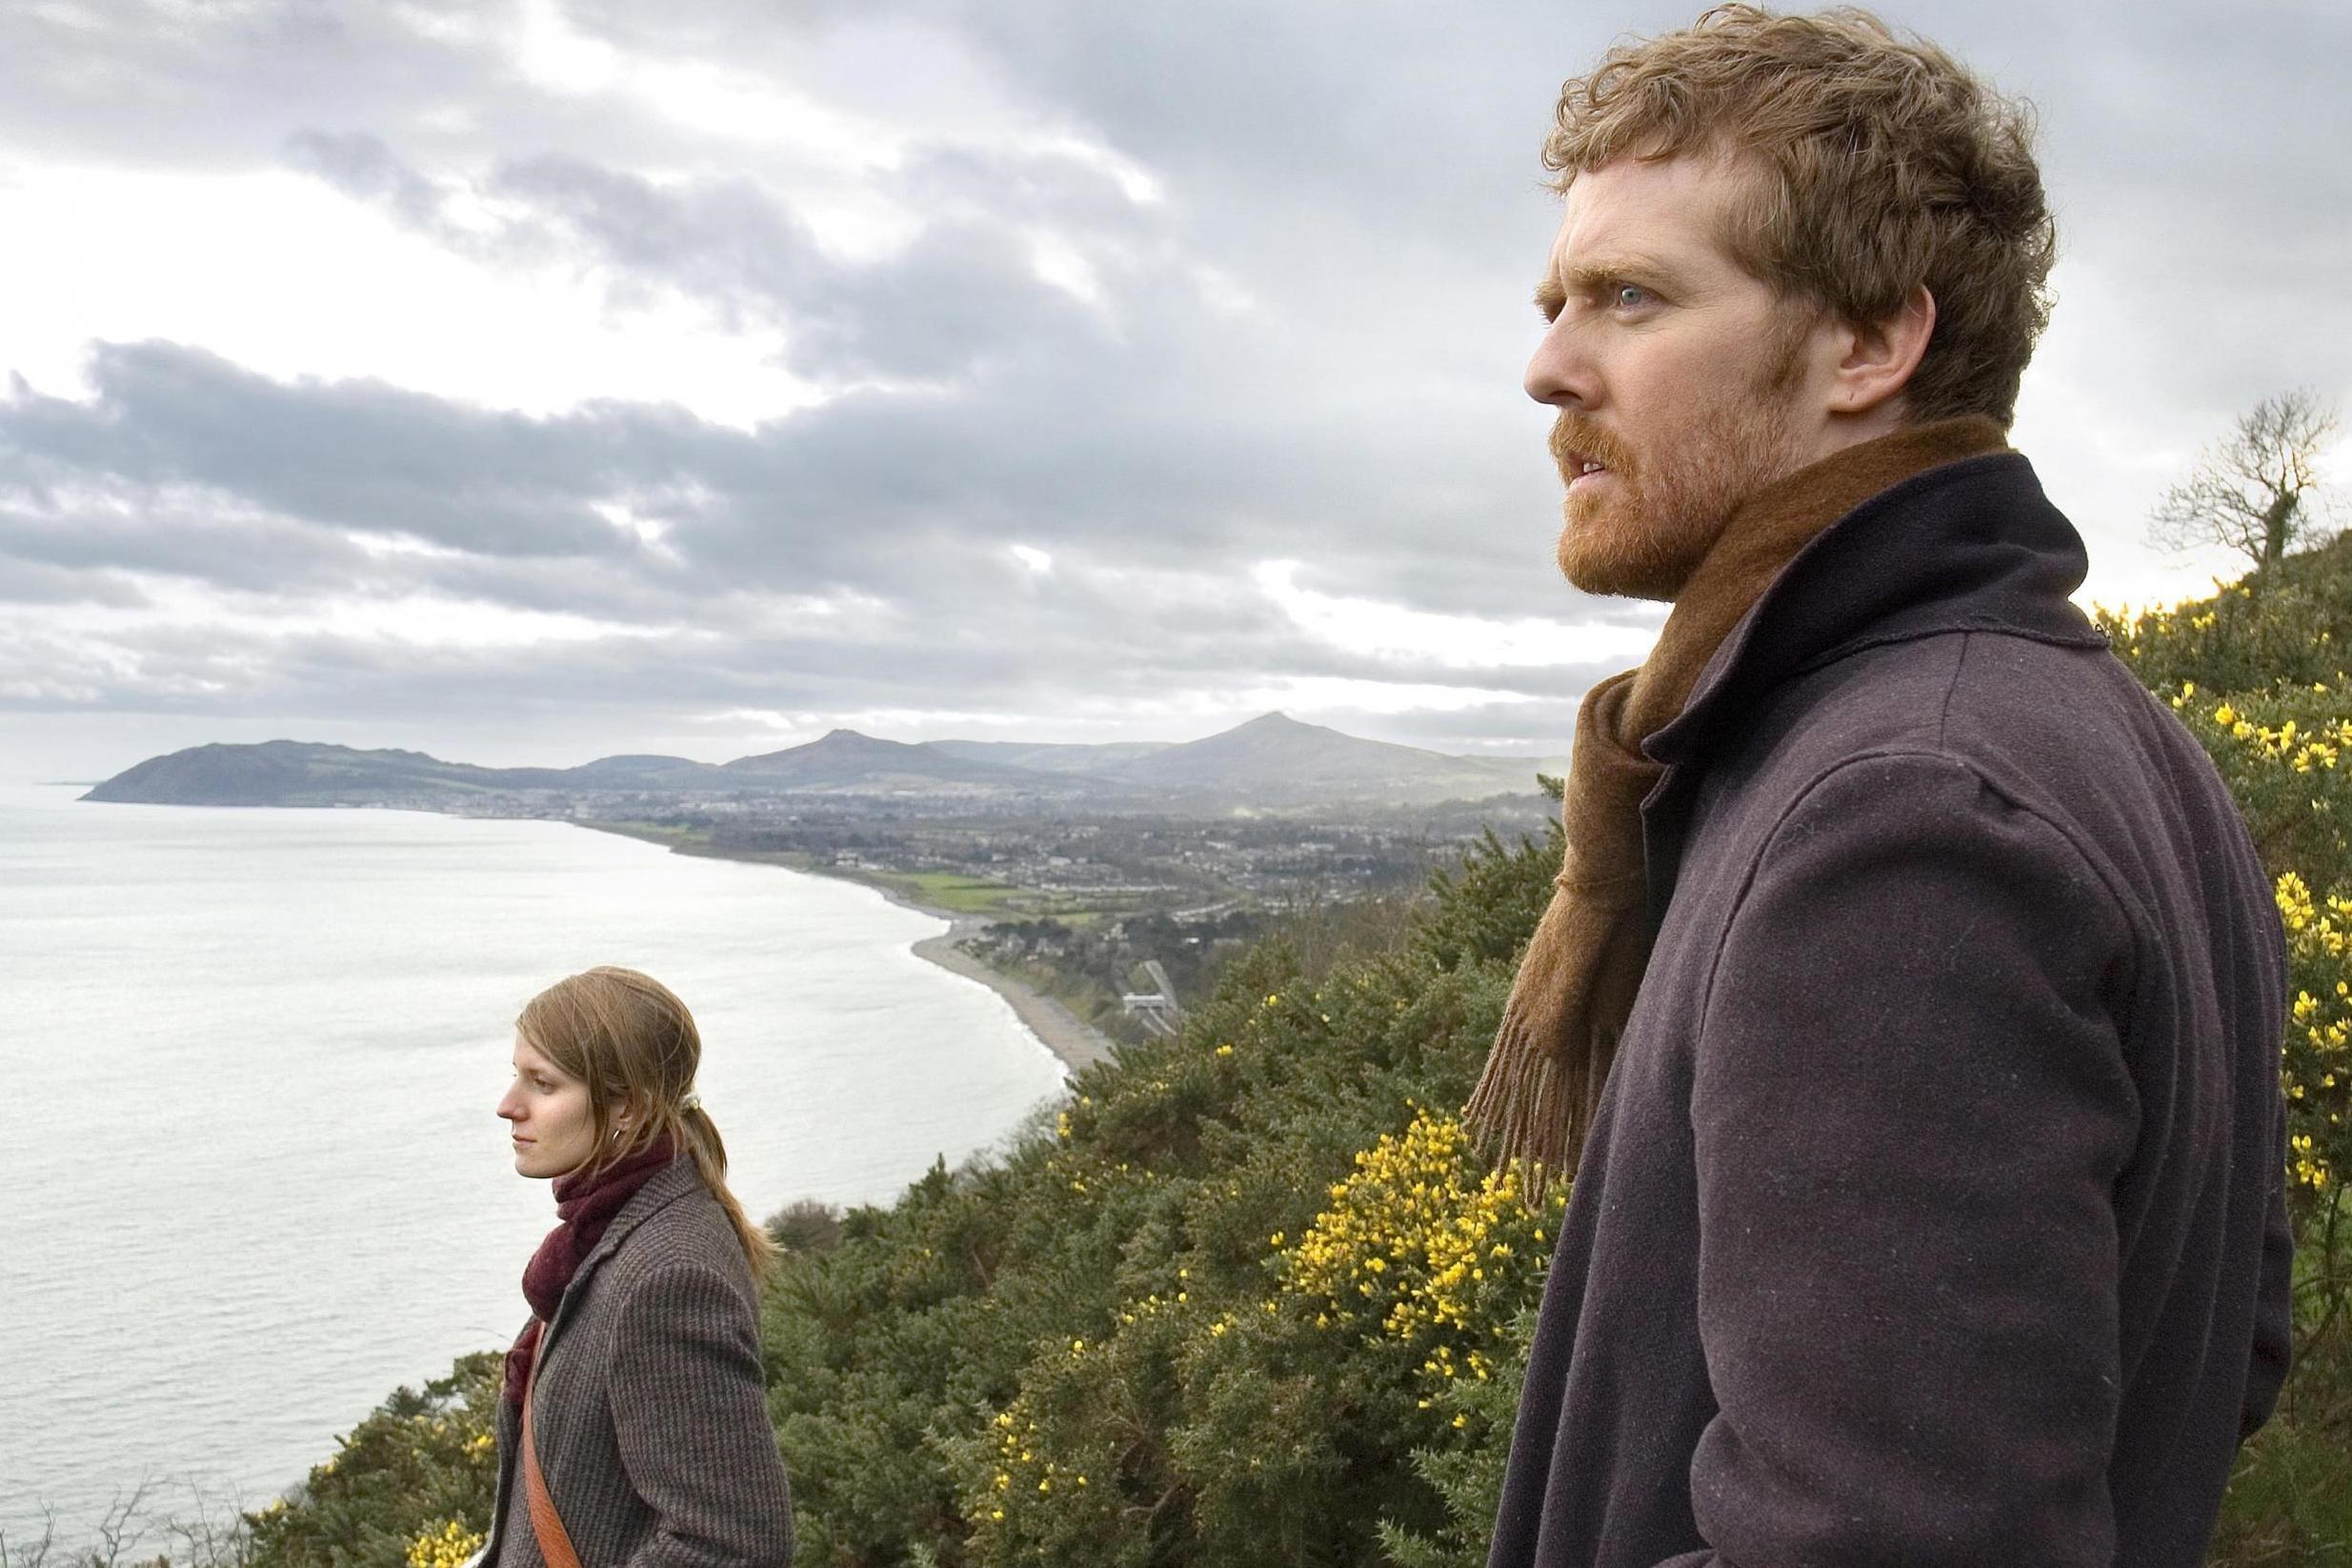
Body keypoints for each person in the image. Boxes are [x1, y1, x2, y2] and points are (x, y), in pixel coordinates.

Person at [1465, 9, 2294, 1566]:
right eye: (1554, 300)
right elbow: (2222, 1341)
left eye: (1628, 299)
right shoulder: (2093, 736)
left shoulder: (1902, 819)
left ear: (1867, 342)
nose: (1545, 366)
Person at [481, 966, 794, 1568]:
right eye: (515, 1076)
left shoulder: (668, 1277)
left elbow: (733, 1547)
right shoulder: (613, 1230)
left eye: (541, 1084)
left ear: (627, 1106)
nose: (508, 1106)